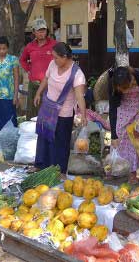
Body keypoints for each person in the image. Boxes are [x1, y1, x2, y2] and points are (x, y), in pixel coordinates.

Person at [34, 42, 87, 176]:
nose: (54, 60)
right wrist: (38, 93)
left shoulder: (77, 74)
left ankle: (59, 171)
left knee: (61, 143)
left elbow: (80, 96)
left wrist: (84, 115)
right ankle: (41, 166)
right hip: (48, 108)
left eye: (56, 57)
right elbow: (46, 79)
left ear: (65, 57)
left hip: (64, 113)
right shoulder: (53, 65)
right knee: (44, 138)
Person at [108, 66, 139, 184]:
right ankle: (114, 169)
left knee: (135, 142)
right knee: (119, 139)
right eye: (121, 89)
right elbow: (113, 108)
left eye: (125, 87)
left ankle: (132, 173)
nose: (123, 91)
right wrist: (113, 135)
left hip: (138, 111)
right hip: (123, 111)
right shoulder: (113, 84)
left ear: (131, 81)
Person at [20, 18, 56, 120]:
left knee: (48, 114)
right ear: (34, 32)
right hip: (34, 84)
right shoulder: (29, 46)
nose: (41, 33)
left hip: (50, 84)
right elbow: (22, 60)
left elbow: (61, 60)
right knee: (33, 113)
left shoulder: (54, 44)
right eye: (39, 30)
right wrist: (29, 70)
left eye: (43, 30)